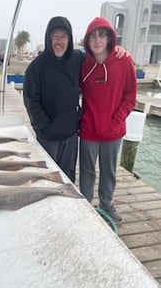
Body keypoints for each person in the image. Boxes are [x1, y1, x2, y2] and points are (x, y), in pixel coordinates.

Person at [23, 16, 126, 183]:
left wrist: (116, 49)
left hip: (71, 135)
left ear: (69, 39)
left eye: (63, 37)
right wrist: (45, 128)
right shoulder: (36, 67)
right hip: (48, 136)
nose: (59, 41)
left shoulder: (77, 58)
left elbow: (98, 53)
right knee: (46, 178)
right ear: (48, 38)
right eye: (54, 36)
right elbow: (30, 101)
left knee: (68, 178)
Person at [79, 17, 137, 221]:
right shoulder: (83, 64)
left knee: (108, 171)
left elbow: (131, 97)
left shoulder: (124, 60)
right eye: (93, 36)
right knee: (86, 171)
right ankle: (85, 205)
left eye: (102, 35)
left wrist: (116, 120)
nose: (97, 40)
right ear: (87, 40)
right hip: (88, 131)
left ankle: (106, 204)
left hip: (113, 131)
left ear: (109, 38)